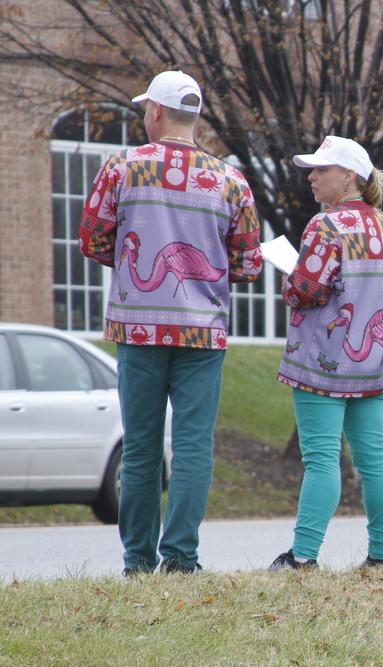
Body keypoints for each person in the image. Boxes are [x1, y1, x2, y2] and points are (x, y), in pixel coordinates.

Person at [80, 70, 262, 575]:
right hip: (203, 334)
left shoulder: (122, 167)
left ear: (156, 112)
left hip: (138, 330)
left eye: (145, 109)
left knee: (140, 449)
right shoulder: (230, 180)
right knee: (193, 447)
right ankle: (181, 557)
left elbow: (92, 239)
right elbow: (248, 265)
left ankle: (137, 561)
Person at [269, 136, 383, 571]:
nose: (312, 176)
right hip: (373, 365)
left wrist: (287, 281)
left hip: (321, 364)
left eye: (321, 169)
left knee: (321, 459)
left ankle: (303, 556)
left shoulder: (324, 226)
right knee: (376, 459)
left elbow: (305, 291)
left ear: (349, 177)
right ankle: (381, 556)